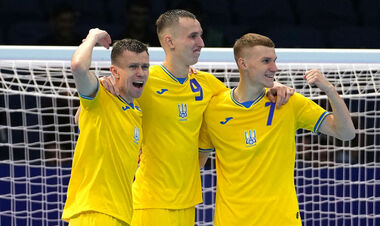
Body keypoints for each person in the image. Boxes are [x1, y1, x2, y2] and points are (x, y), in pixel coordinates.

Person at [96, 9, 294, 225]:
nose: (201, 43)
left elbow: (244, 93)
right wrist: (104, 88)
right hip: (151, 202)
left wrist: (274, 85)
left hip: (188, 203)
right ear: (169, 41)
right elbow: (95, 106)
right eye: (192, 36)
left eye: (200, 35)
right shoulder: (144, 80)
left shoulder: (208, 84)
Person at [198, 33, 356, 225]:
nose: (275, 68)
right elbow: (197, 163)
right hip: (232, 220)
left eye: (274, 60)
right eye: (266, 61)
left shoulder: (289, 103)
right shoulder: (213, 109)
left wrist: (330, 90)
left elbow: (346, 133)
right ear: (243, 63)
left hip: (282, 219)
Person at [62, 28, 149, 225]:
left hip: (121, 216)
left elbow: (81, 121)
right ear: (115, 71)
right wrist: (92, 37)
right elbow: (78, 66)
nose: (140, 73)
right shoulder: (101, 95)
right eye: (133, 66)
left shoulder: (136, 113)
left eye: (145, 66)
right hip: (95, 213)